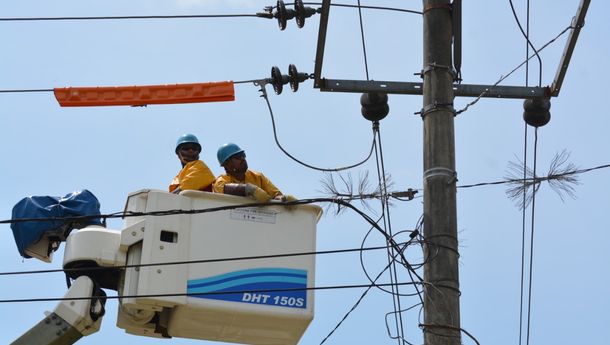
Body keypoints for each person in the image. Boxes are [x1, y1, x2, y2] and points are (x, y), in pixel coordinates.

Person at [213, 143, 295, 203]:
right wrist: (249, 189)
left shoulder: (258, 177)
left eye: (243, 155)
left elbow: (276, 195)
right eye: (238, 156)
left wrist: (283, 199)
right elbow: (223, 188)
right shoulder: (221, 180)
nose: (243, 158)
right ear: (227, 164)